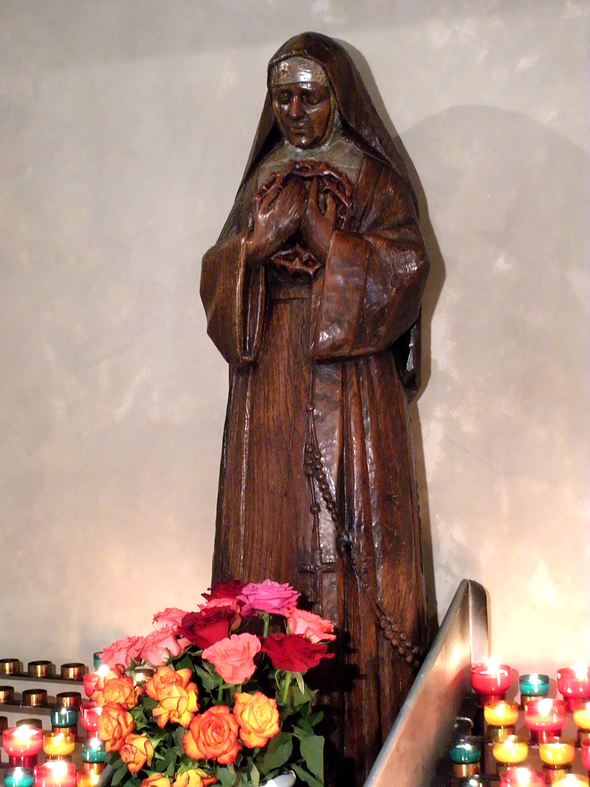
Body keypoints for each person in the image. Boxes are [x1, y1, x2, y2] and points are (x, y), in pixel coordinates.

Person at [200, 32, 431, 786]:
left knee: (345, 553)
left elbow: (405, 266)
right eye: (282, 96)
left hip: (350, 389)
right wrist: (256, 245)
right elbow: (220, 274)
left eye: (311, 95)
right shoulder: (261, 177)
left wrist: (326, 236)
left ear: (340, 98)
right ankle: (262, 749)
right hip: (268, 386)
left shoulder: (373, 177)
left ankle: (362, 749)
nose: (295, 111)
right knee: (270, 539)